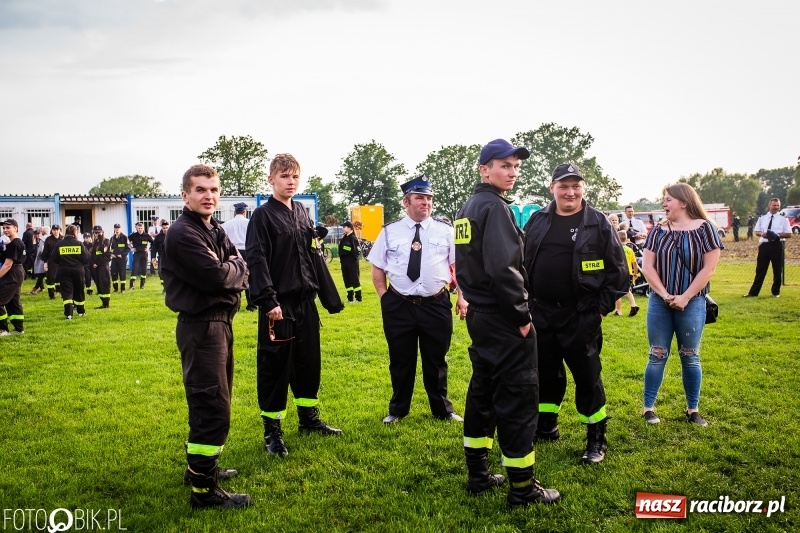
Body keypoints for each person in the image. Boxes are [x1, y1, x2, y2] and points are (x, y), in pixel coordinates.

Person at [454, 138, 559, 507]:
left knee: (482, 392)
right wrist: (521, 316)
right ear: (484, 169)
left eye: (515, 166)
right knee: (517, 397)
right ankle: (522, 488)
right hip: (502, 317)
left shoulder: (470, 206)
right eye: (504, 166)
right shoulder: (494, 208)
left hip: (481, 317)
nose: (512, 172)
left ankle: (478, 474)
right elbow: (504, 268)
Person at [523, 163, 628, 465]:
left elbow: (619, 275)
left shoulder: (598, 223)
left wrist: (597, 313)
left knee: (587, 377)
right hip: (541, 313)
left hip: (581, 315)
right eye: (563, 186)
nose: (570, 192)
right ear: (552, 187)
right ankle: (546, 426)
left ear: (584, 188)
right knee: (544, 373)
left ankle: (596, 438)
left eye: (576, 186)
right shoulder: (537, 220)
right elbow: (522, 263)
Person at [161, 164, 252, 509]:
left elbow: (238, 263)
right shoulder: (184, 233)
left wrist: (234, 267)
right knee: (211, 407)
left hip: (220, 324)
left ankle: (197, 469)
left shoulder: (212, 227)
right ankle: (204, 492)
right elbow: (218, 275)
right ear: (185, 195)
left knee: (214, 399)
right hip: (202, 327)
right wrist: (234, 268)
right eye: (200, 190)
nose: (208, 196)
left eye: (213, 190)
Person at [246, 153, 344, 458]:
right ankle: (272, 432)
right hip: (279, 305)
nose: (291, 182)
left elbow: (309, 253)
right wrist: (268, 300)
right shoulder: (262, 217)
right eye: (285, 176)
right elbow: (257, 259)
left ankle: (309, 419)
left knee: (307, 363)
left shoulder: (301, 211)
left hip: (306, 303)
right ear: (271, 179)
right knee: (275, 368)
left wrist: (316, 236)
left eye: (295, 177)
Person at [368, 176, 465, 425]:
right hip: (399, 304)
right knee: (401, 360)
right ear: (406, 201)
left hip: (436, 304)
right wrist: (384, 298)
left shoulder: (445, 230)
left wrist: (462, 297)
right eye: (420, 198)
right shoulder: (390, 232)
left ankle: (442, 409)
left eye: (429, 198)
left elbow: (457, 266)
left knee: (437, 360)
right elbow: (377, 267)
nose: (426, 203)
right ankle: (398, 410)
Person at [640, 183, 723, 427]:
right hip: (659, 302)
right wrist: (665, 295)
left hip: (693, 302)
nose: (664, 204)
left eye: (668, 200)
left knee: (690, 356)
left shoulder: (706, 229)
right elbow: (647, 267)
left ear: (684, 202)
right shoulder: (658, 230)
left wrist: (685, 296)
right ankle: (648, 408)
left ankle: (692, 409)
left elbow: (710, 268)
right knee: (657, 354)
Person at [743, 198, 792, 298]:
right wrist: (763, 234)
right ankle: (753, 293)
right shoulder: (762, 218)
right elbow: (757, 231)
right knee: (760, 270)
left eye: (778, 205)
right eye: (774, 205)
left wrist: (776, 235)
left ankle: (775, 292)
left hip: (777, 245)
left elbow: (789, 234)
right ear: (769, 205)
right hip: (764, 246)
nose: (776, 207)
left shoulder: (783, 219)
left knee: (777, 270)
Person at [221, 203, 255, 311]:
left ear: (235, 212)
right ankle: (251, 304)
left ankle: (235, 303)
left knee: (235, 277)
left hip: (233, 251)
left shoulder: (226, 224)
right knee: (249, 278)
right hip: (248, 250)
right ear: (244, 212)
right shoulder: (250, 223)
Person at [53, 225, 89, 319]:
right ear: (75, 232)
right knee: (79, 290)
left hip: (64, 270)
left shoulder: (60, 244)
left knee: (66, 291)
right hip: (78, 270)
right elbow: (86, 258)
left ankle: (68, 313)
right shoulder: (79, 243)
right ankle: (81, 311)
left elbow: (55, 258)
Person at [0, 219, 26, 336]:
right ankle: (19, 329)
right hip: (18, 272)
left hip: (12, 273)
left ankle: (3, 329)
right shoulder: (17, 243)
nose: (5, 230)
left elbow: (7, 264)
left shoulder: (14, 244)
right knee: (13, 302)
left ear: (15, 228)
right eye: (4, 228)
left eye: (8, 228)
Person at [614, 230, 640, 317]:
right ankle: (633, 304)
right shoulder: (629, 250)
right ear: (626, 239)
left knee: (617, 291)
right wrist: (635, 273)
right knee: (626, 289)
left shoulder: (616, 249)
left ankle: (619, 310)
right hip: (628, 272)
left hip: (619, 272)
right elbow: (634, 263)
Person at [339, 221, 362, 302]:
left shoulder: (353, 238)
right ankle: (350, 298)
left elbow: (357, 251)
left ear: (349, 228)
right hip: (344, 262)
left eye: (344, 227)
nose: (343, 228)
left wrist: (347, 250)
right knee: (346, 279)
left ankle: (358, 298)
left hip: (352, 262)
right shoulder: (344, 237)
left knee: (354, 279)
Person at [90, 225, 112, 309]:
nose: (97, 234)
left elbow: (106, 254)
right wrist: (93, 263)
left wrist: (98, 263)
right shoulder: (93, 243)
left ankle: (106, 303)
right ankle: (103, 302)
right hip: (95, 267)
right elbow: (90, 255)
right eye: (95, 233)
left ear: (102, 232)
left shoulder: (106, 241)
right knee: (98, 284)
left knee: (104, 284)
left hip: (103, 266)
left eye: (98, 232)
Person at [40, 224, 63, 299]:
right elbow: (45, 252)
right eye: (54, 230)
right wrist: (45, 263)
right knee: (51, 277)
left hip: (61, 261)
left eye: (57, 230)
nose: (55, 231)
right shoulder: (48, 239)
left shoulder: (62, 239)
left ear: (59, 230)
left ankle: (59, 291)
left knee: (60, 277)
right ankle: (51, 295)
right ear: (51, 231)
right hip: (52, 261)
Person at [128, 222, 153, 290]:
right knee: (135, 269)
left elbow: (153, 243)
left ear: (143, 228)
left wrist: (148, 248)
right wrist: (131, 248)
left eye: (141, 228)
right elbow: (126, 242)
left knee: (144, 269)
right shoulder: (133, 235)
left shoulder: (147, 235)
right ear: (136, 228)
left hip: (144, 254)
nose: (140, 229)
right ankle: (131, 285)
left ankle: (142, 285)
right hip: (137, 254)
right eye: (139, 228)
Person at [109, 224, 130, 293]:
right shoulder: (112, 238)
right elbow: (109, 249)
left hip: (122, 259)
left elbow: (128, 248)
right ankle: (115, 289)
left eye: (118, 228)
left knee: (122, 274)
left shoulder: (124, 237)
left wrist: (122, 255)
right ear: (114, 229)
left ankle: (122, 289)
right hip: (114, 259)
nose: (117, 229)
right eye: (116, 228)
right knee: (114, 273)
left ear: (120, 229)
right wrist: (111, 254)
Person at [150, 219, 170, 294]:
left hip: (171, 257)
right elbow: (154, 247)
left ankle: (169, 287)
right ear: (162, 228)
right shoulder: (158, 237)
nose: (165, 229)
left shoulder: (173, 235)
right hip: (161, 256)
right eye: (164, 228)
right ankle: (164, 286)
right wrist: (153, 257)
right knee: (160, 271)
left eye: (166, 228)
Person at [29, 227, 48, 295]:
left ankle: (35, 288)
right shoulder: (50, 238)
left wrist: (38, 256)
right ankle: (40, 287)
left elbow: (40, 250)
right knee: (44, 274)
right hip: (50, 259)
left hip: (43, 259)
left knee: (41, 274)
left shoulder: (42, 239)